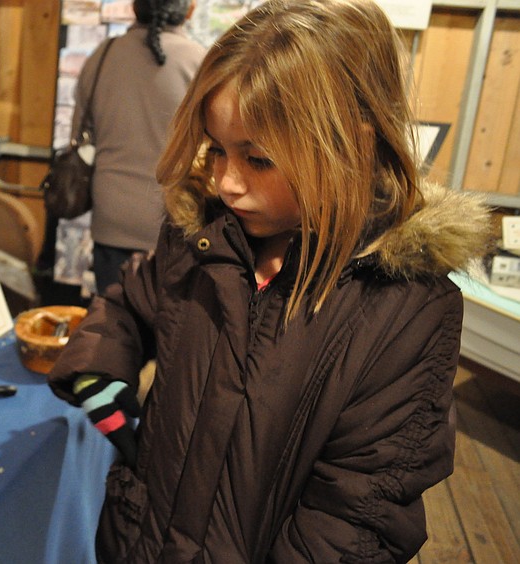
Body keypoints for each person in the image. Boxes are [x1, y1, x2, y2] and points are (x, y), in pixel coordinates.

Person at [47, 0, 495, 561]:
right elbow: (130, 301)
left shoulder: (404, 311)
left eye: (257, 159)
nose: (226, 182)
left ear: (350, 145)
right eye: (216, 150)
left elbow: (356, 519)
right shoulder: (204, 235)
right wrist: (100, 362)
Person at [71, 0, 205, 295]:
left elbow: (79, 134)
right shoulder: (201, 62)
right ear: (190, 10)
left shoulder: (103, 55)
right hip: (174, 219)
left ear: (135, 8)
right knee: (169, 331)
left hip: (111, 215)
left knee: (113, 325)